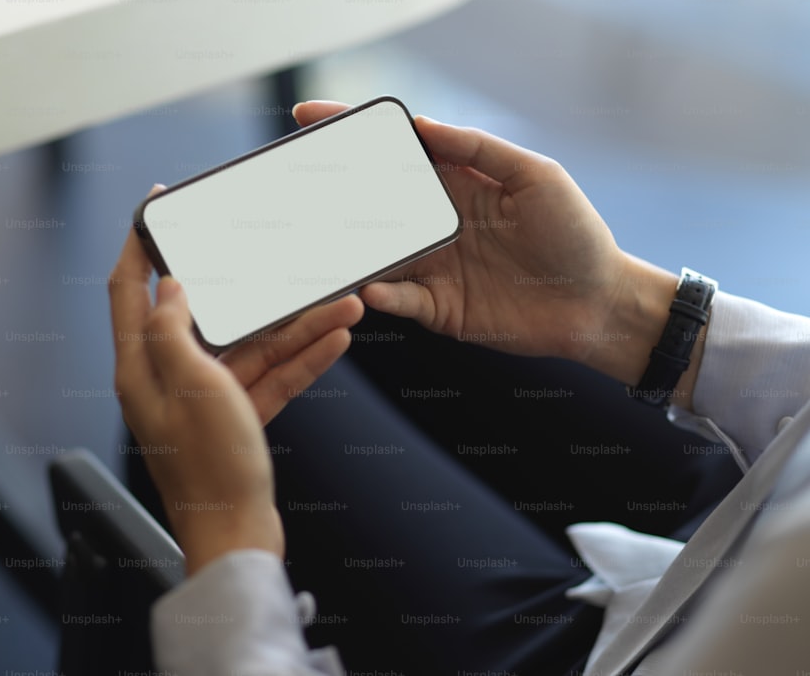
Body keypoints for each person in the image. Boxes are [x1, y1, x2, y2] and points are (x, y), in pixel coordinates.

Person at [109, 101, 810, 674]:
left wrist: (228, 537)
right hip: (767, 499)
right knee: (384, 283)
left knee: (227, 406)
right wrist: (624, 309)